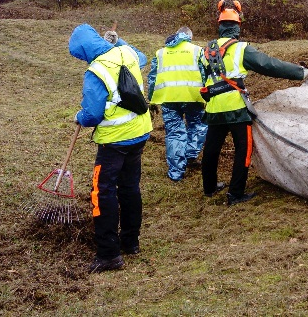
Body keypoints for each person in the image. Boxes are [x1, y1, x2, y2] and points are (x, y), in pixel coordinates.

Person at [199, 0, 308, 206]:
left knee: (211, 149)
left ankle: (209, 188)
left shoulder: (206, 51)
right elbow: (269, 65)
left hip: (214, 108)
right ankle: (235, 194)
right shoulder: (241, 49)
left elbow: (203, 77)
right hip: (236, 108)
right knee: (243, 150)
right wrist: (300, 72)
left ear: (220, 25)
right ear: (237, 27)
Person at [68, 23, 153, 273]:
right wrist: (118, 41)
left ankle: (108, 254)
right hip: (139, 132)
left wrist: (79, 117)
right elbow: (143, 57)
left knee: (102, 192)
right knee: (129, 187)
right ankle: (130, 242)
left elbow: (92, 115)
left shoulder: (95, 71)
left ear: (83, 52)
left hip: (114, 141)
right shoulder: (125, 53)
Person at [147, 26, 208, 182]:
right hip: (193, 97)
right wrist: (207, 95)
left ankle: (176, 172)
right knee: (198, 125)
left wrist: (151, 98)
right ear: (189, 36)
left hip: (168, 98)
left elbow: (153, 77)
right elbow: (204, 73)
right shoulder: (197, 50)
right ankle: (191, 155)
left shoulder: (160, 53)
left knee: (174, 133)